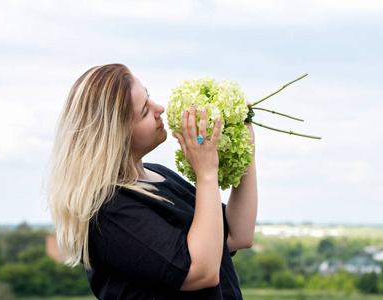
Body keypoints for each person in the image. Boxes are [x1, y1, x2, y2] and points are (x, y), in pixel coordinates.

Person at [46, 63, 257, 299]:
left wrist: (246, 152)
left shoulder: (158, 174)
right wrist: (206, 174)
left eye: (150, 98)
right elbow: (201, 272)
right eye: (145, 111)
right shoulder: (107, 209)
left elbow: (237, 236)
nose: (160, 109)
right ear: (117, 134)